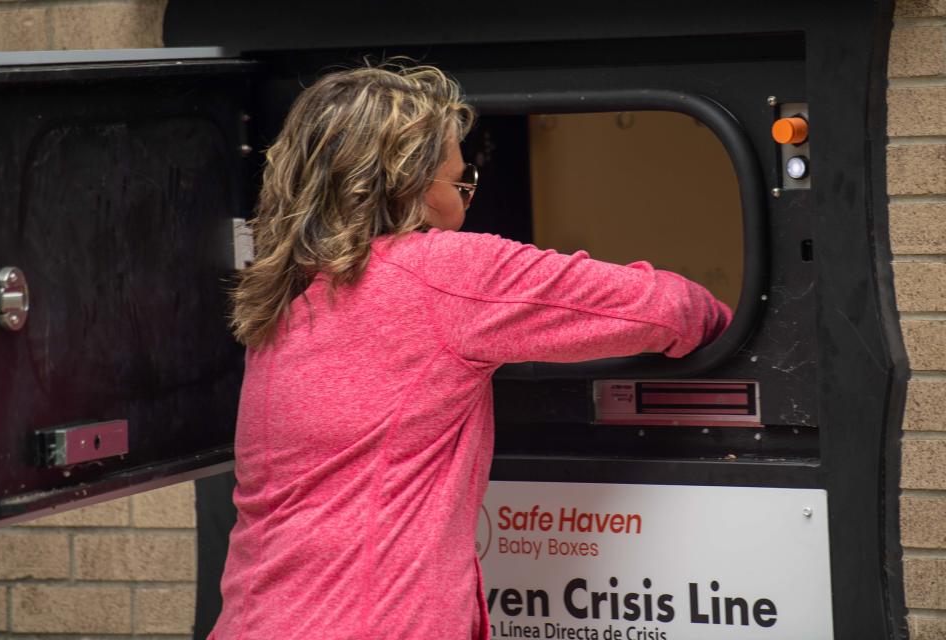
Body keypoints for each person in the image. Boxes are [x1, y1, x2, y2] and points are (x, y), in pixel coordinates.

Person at [212, 61, 731, 640]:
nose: (467, 205)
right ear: (408, 186)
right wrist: (733, 332)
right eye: (461, 185)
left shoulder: (283, 295)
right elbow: (665, 309)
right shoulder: (443, 275)